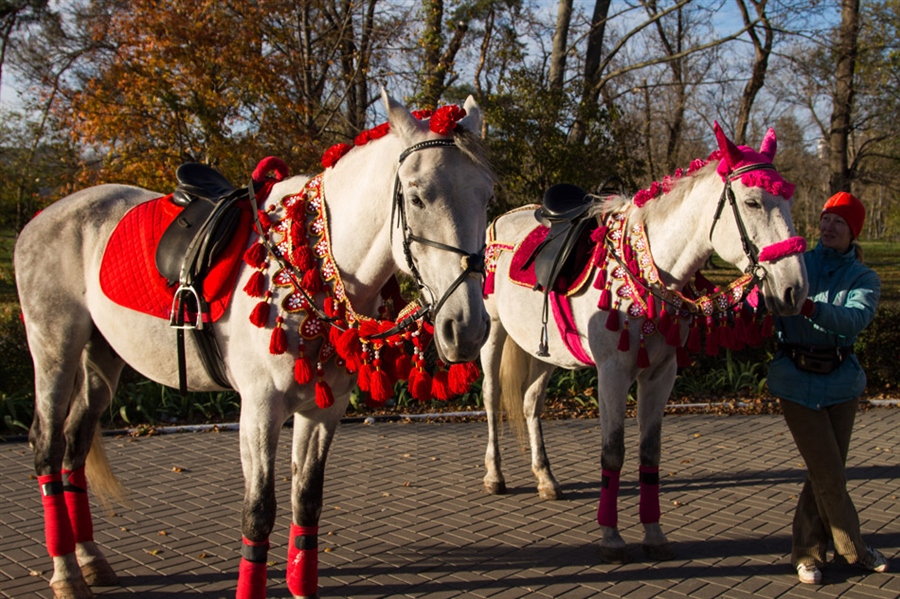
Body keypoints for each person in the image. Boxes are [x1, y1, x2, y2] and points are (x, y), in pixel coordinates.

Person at [767, 191, 888, 584]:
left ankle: (807, 555)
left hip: (841, 385)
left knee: (823, 473)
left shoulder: (865, 278)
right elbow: (769, 294)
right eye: (825, 219)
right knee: (829, 472)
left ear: (853, 231)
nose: (828, 226)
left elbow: (854, 320)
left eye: (839, 221)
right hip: (795, 380)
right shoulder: (798, 262)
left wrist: (811, 308)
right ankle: (856, 550)